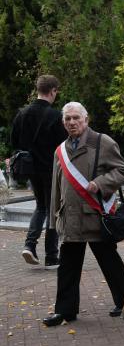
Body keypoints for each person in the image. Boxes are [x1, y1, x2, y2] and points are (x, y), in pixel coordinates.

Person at [43, 102, 124, 326]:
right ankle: (65, 311)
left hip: (95, 216)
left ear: (86, 119)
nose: (72, 122)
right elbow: (56, 186)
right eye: (67, 119)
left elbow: (122, 171)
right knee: (68, 267)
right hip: (70, 218)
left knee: (109, 261)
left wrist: (100, 183)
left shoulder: (102, 142)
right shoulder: (60, 150)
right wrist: (54, 220)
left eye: (76, 118)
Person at [10, 75, 67, 269]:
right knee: (52, 210)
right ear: (53, 91)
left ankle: (30, 245)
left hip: (30, 168)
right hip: (51, 169)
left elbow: (14, 141)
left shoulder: (22, 114)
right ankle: (51, 255)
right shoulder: (55, 116)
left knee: (41, 206)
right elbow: (64, 145)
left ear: (37, 89)